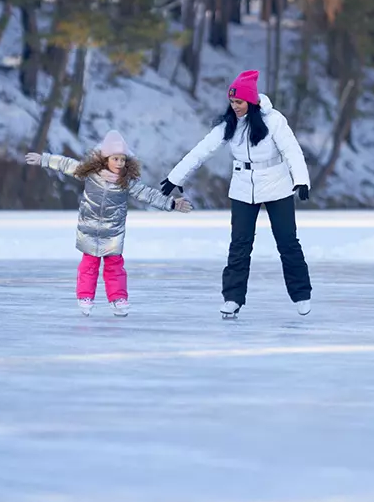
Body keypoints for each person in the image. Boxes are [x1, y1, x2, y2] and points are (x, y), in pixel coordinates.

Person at [160, 69, 312, 318]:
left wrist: (301, 180)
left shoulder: (274, 121)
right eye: (231, 102)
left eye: (239, 102)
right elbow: (201, 151)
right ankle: (232, 298)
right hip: (243, 187)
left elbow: (292, 151)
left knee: (287, 242)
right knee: (239, 245)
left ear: (251, 101)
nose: (235, 106)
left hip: (276, 184)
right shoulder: (228, 124)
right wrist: (175, 177)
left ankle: (301, 293)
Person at [25, 130, 193, 317]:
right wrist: (45, 159)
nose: (119, 163)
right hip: (89, 228)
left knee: (115, 265)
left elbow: (148, 194)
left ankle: (118, 299)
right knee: (89, 264)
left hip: (113, 231)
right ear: (105, 159)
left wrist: (171, 203)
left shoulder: (126, 182)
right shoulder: (89, 173)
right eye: (115, 159)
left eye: (122, 159)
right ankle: (85, 297)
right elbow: (66, 164)